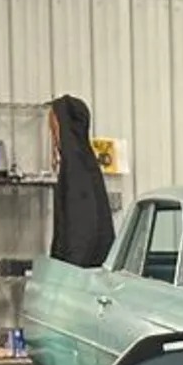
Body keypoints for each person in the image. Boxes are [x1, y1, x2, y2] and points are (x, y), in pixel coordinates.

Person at [47, 95, 113, 266]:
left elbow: (80, 234)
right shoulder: (85, 163)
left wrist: (67, 277)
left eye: (54, 130)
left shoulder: (76, 171)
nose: (53, 138)